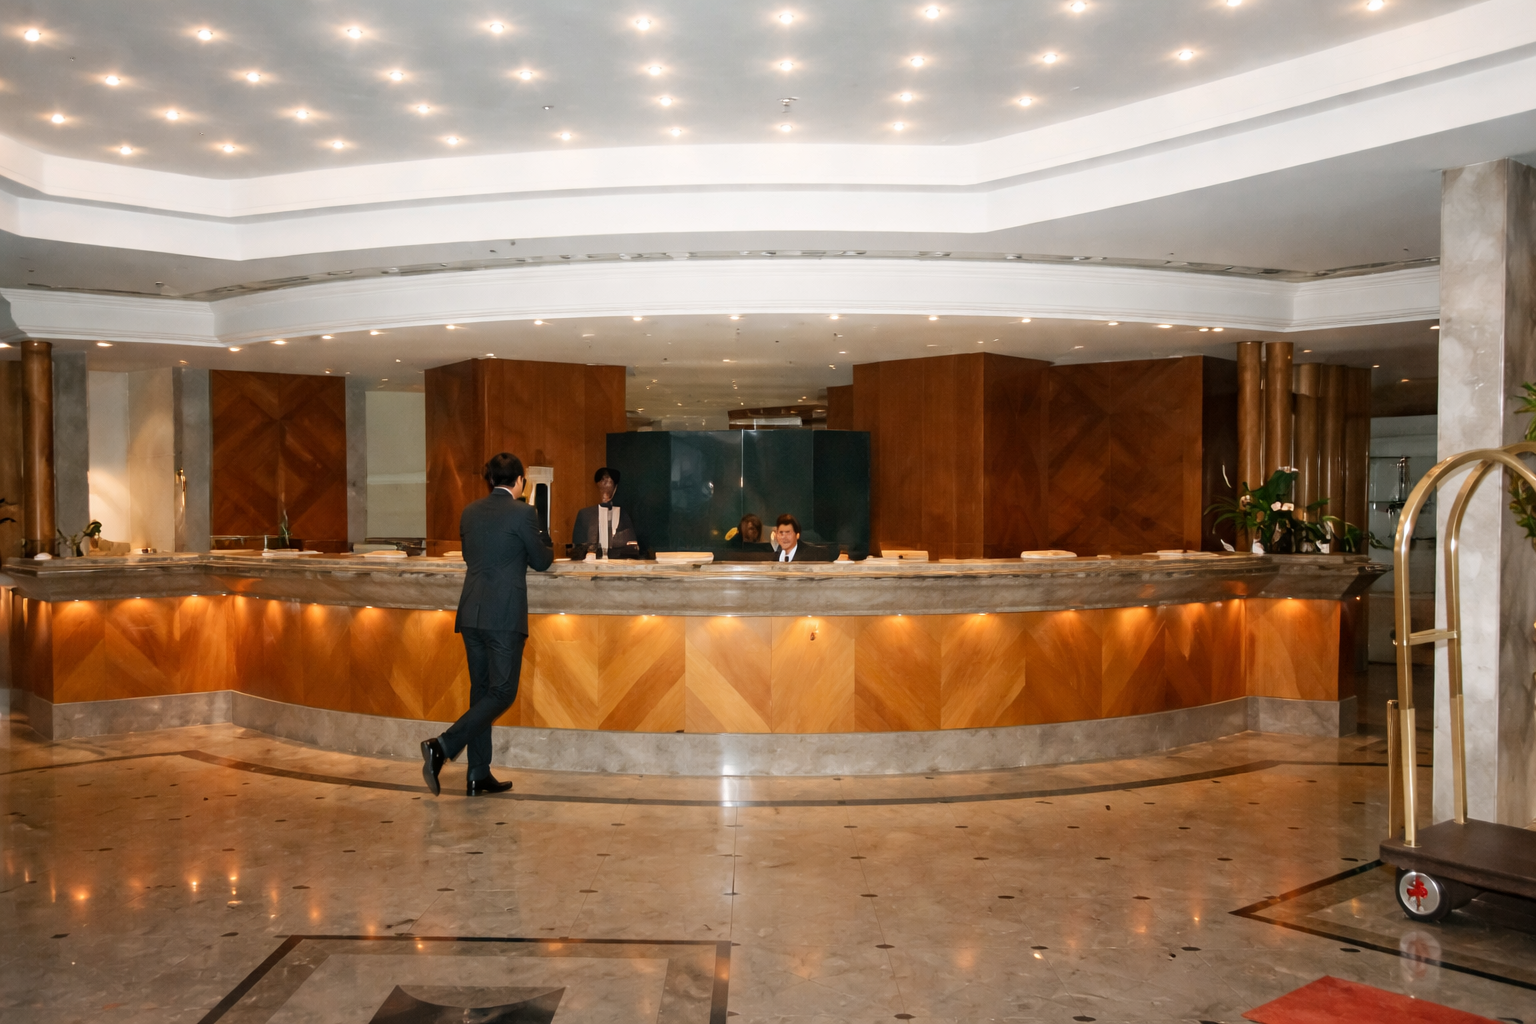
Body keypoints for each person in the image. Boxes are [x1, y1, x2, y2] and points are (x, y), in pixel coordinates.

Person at [420, 452, 553, 797]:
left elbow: (471, 557)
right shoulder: (524, 513)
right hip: (503, 615)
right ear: (520, 481)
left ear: (491, 480)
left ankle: (478, 773)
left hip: (471, 612)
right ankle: (443, 746)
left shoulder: (470, 511)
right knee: (502, 692)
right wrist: (543, 543)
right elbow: (541, 561)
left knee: (481, 693)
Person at [569, 467, 639, 558]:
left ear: (615, 486)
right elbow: (578, 547)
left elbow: (631, 546)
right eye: (602, 480)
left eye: (609, 481)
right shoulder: (585, 515)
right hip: (591, 563)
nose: (605, 483)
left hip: (618, 562)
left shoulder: (624, 515)